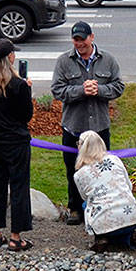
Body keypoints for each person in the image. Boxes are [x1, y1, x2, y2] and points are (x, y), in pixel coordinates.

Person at [51, 22, 124, 225]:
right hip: (73, 127)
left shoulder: (108, 60)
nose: (79, 43)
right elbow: (57, 90)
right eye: (76, 39)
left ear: (92, 37)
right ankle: (75, 208)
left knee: (101, 169)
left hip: (99, 128)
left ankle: (100, 207)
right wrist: (80, 90)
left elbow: (119, 86)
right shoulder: (64, 61)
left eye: (83, 39)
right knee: (73, 169)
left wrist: (99, 90)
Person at [0, 38, 34, 251]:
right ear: (10, 57)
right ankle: (16, 235)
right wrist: (28, 91)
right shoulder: (19, 84)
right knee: (18, 186)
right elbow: (26, 115)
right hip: (16, 139)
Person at [75, 130, 136, 253]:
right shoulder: (115, 160)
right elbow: (129, 186)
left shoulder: (79, 174)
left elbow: (85, 197)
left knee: (86, 205)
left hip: (104, 221)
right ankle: (131, 238)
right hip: (132, 216)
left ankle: (102, 238)